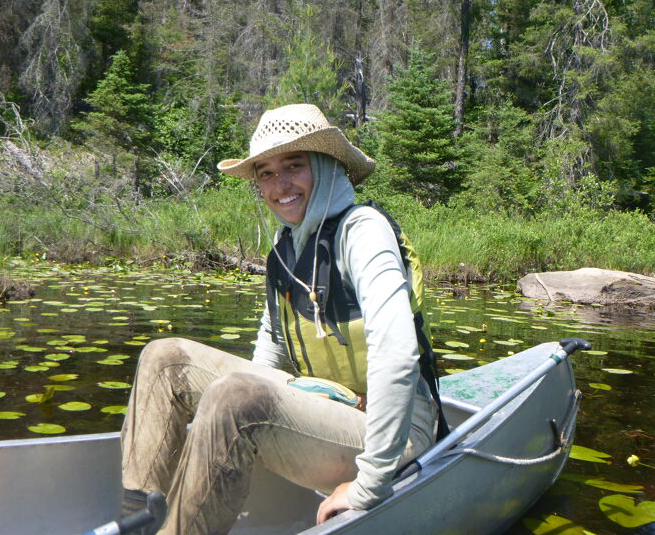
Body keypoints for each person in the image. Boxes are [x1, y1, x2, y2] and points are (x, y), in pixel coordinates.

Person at [120, 103, 443, 534]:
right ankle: (136, 522)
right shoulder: (285, 247)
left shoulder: (363, 231)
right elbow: (268, 354)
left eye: (294, 165)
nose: (280, 185)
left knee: (237, 397)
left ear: (328, 167)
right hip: (329, 406)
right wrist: (210, 433)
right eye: (266, 174)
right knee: (164, 359)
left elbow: (398, 355)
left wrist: (369, 484)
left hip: (395, 430)